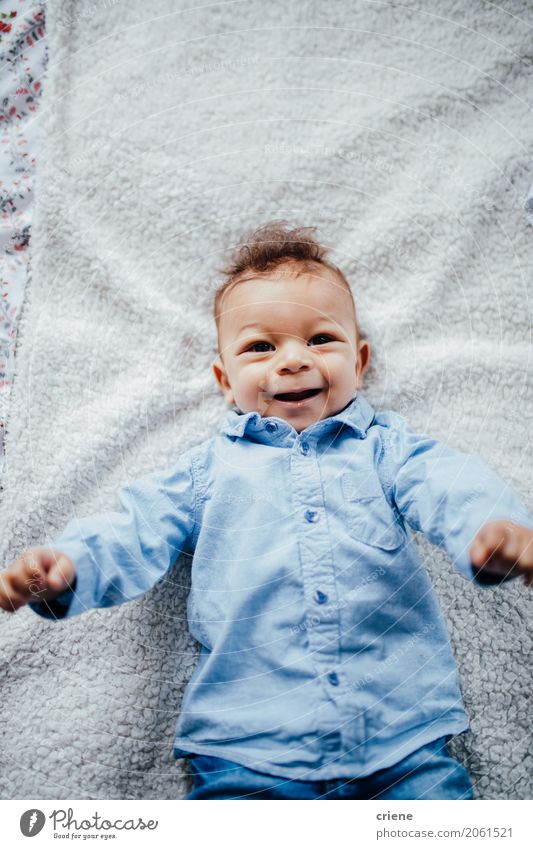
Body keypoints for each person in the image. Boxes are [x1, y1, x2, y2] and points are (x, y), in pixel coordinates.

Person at [1, 221, 533, 801]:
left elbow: (449, 483)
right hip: (246, 747)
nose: (293, 361)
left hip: (400, 739)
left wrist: (494, 529)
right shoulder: (207, 472)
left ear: (361, 361)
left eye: (321, 340)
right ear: (225, 380)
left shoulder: (386, 449)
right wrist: (69, 567)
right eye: (261, 347)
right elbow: (135, 528)